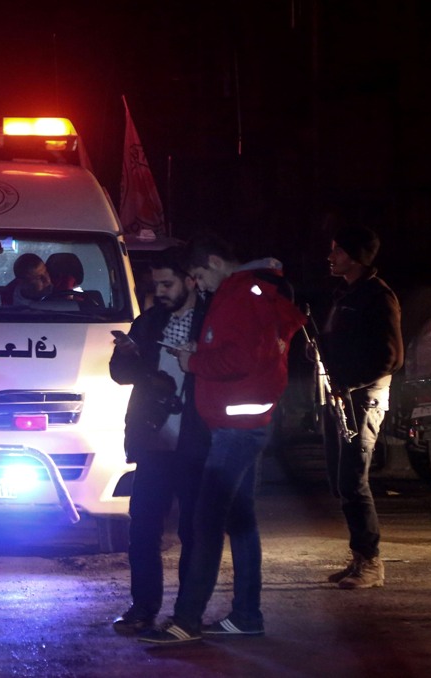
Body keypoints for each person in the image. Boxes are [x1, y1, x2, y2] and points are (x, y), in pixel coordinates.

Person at [140, 232, 305, 644]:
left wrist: (192, 359)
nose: (199, 284)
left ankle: (186, 621)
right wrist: (202, 351)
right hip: (244, 423)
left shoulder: (240, 295)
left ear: (213, 262)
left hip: (235, 429)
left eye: (197, 275)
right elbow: (246, 351)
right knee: (241, 521)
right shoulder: (252, 291)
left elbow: (242, 358)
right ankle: (246, 615)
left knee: (207, 521)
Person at [109, 248, 211, 636]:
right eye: (156, 285)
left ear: (191, 280)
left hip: (196, 439)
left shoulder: (212, 320)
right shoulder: (149, 321)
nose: (161, 292)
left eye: (168, 283)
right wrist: (129, 355)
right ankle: (143, 606)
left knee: (193, 530)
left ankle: (187, 612)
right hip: (153, 439)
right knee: (144, 526)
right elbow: (120, 374)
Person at [320, 223, 403, 589]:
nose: (330, 256)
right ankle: (359, 560)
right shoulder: (347, 293)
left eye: (337, 250)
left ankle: (371, 563)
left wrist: (350, 383)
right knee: (344, 481)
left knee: (354, 480)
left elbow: (391, 356)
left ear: (354, 257)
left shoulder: (377, 296)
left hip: (363, 399)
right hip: (345, 396)